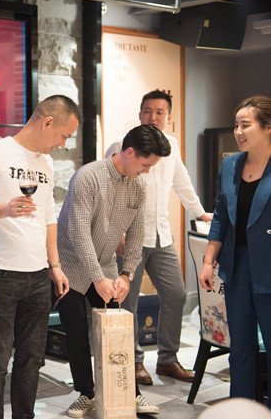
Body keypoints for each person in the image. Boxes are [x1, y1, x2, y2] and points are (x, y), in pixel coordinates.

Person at [0, 95, 78, 419]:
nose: (62, 144)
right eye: (64, 135)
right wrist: (4, 209)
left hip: (38, 275)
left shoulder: (46, 163)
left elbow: (49, 215)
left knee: (32, 359)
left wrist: (55, 265)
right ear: (47, 122)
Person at [58, 124, 171, 418]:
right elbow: (78, 232)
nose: (146, 171)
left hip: (107, 264)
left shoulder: (138, 186)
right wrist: (97, 278)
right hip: (71, 266)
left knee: (116, 331)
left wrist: (126, 274)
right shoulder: (87, 177)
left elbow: (137, 232)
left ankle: (130, 393)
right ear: (130, 152)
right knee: (76, 332)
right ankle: (85, 393)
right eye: (145, 165)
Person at [106, 89, 212, 385]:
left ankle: (167, 359)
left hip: (161, 235)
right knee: (128, 302)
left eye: (160, 112)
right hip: (129, 239)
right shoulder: (122, 145)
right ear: (139, 114)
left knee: (176, 294)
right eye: (147, 111)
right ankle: (134, 360)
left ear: (168, 117)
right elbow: (108, 190)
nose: (153, 117)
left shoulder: (171, 146)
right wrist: (116, 231)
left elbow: (182, 182)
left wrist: (200, 212)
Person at [199, 95, 271, 404]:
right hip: (237, 266)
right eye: (236, 125)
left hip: (269, 265)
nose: (238, 132)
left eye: (246, 125)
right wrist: (208, 260)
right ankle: (241, 408)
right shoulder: (230, 165)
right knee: (240, 347)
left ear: (267, 127)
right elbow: (221, 216)